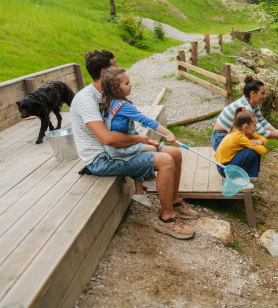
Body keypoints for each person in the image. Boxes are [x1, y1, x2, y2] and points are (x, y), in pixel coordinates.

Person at [70, 49, 197, 240]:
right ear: (106, 74)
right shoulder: (86, 99)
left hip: (118, 149)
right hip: (102, 158)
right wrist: (141, 139)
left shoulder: (110, 95)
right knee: (166, 161)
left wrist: (142, 138)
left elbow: (122, 128)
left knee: (175, 154)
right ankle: (167, 219)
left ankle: (174, 201)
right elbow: (108, 139)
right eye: (117, 67)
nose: (122, 70)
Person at [100, 67, 177, 208]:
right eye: (127, 83)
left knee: (149, 148)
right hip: (119, 149)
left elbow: (127, 131)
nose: (131, 86)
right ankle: (146, 180)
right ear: (116, 88)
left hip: (114, 147)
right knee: (151, 150)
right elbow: (146, 120)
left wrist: (142, 138)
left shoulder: (109, 102)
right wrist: (166, 133)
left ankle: (140, 191)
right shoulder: (123, 106)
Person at [211, 75, 278, 152]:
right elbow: (261, 132)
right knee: (253, 149)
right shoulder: (246, 108)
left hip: (229, 136)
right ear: (253, 93)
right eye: (262, 93)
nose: (265, 96)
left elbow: (262, 121)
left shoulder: (251, 102)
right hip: (219, 139)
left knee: (255, 146)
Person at [214, 108, 267, 188]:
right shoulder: (239, 137)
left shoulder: (244, 132)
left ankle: (249, 175)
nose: (256, 127)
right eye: (254, 125)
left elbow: (264, 139)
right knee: (252, 152)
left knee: (254, 148)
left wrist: (259, 142)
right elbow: (263, 151)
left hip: (226, 165)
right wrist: (257, 144)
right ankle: (235, 178)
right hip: (224, 169)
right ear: (246, 127)